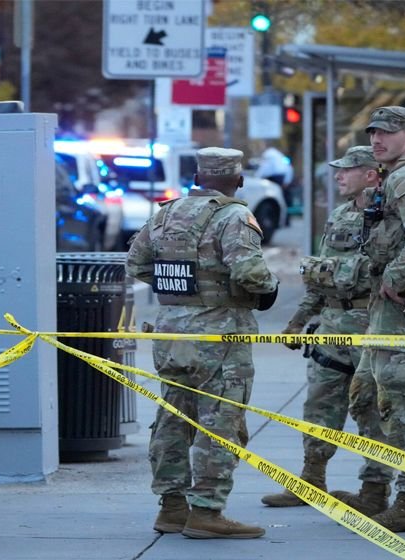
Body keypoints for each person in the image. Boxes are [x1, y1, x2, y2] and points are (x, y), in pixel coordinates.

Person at [126, 147, 279, 539]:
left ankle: (171, 507)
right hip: (220, 335)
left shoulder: (166, 212)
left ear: (197, 178)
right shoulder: (234, 216)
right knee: (220, 423)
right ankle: (207, 511)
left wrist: (183, 295)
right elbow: (249, 272)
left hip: (172, 334)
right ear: (238, 179)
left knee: (172, 421)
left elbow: (137, 263)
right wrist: (266, 290)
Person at [330, 106, 405, 533]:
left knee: (402, 402)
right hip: (389, 308)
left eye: (388, 133)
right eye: (374, 132)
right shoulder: (400, 171)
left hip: (404, 305)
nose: (378, 140)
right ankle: (375, 490)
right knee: (365, 394)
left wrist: (397, 277)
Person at [261, 146, 392, 510]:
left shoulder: (387, 218)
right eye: (338, 170)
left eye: (347, 170)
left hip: (370, 325)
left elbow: (381, 273)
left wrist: (334, 274)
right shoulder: (337, 215)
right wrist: (298, 321)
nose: (339, 176)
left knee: (369, 410)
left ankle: (375, 491)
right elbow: (320, 277)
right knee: (319, 406)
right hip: (331, 326)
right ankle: (311, 481)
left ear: (371, 174)